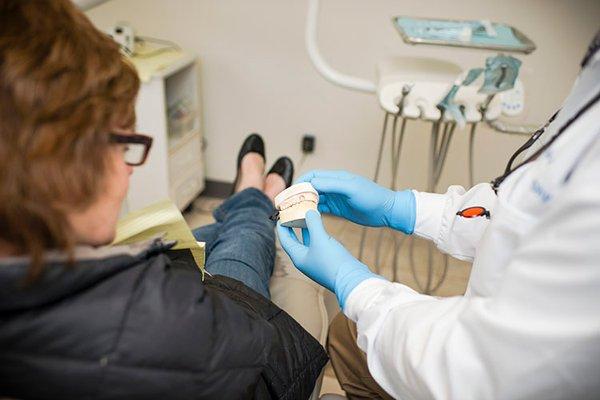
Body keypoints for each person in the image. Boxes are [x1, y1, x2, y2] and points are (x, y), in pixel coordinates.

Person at [0, 1, 326, 399]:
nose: (131, 167)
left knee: (207, 231)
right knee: (248, 240)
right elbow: (267, 349)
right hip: (247, 363)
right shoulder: (159, 327)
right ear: (58, 162)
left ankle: (249, 194)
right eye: (123, 146)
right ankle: (255, 200)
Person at [278, 31, 600, 399]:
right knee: (345, 333)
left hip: (490, 371)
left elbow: (479, 368)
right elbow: (520, 208)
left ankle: (250, 194)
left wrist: (355, 285)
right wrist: (402, 207)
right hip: (497, 329)